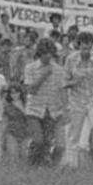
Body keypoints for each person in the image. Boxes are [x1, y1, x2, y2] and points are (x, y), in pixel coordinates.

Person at [64, 32, 93, 174]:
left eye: (88, 48)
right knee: (74, 135)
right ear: (79, 46)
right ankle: (72, 165)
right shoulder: (70, 59)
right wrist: (74, 82)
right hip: (76, 101)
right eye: (83, 48)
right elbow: (64, 82)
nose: (86, 51)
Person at [24, 38, 66, 166]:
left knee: (54, 144)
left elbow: (62, 90)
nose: (48, 56)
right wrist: (44, 75)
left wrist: (65, 108)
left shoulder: (58, 70)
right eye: (45, 53)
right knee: (38, 141)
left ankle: (49, 167)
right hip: (35, 109)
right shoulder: (30, 68)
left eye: (50, 53)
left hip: (53, 110)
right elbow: (30, 90)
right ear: (39, 53)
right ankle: (31, 163)